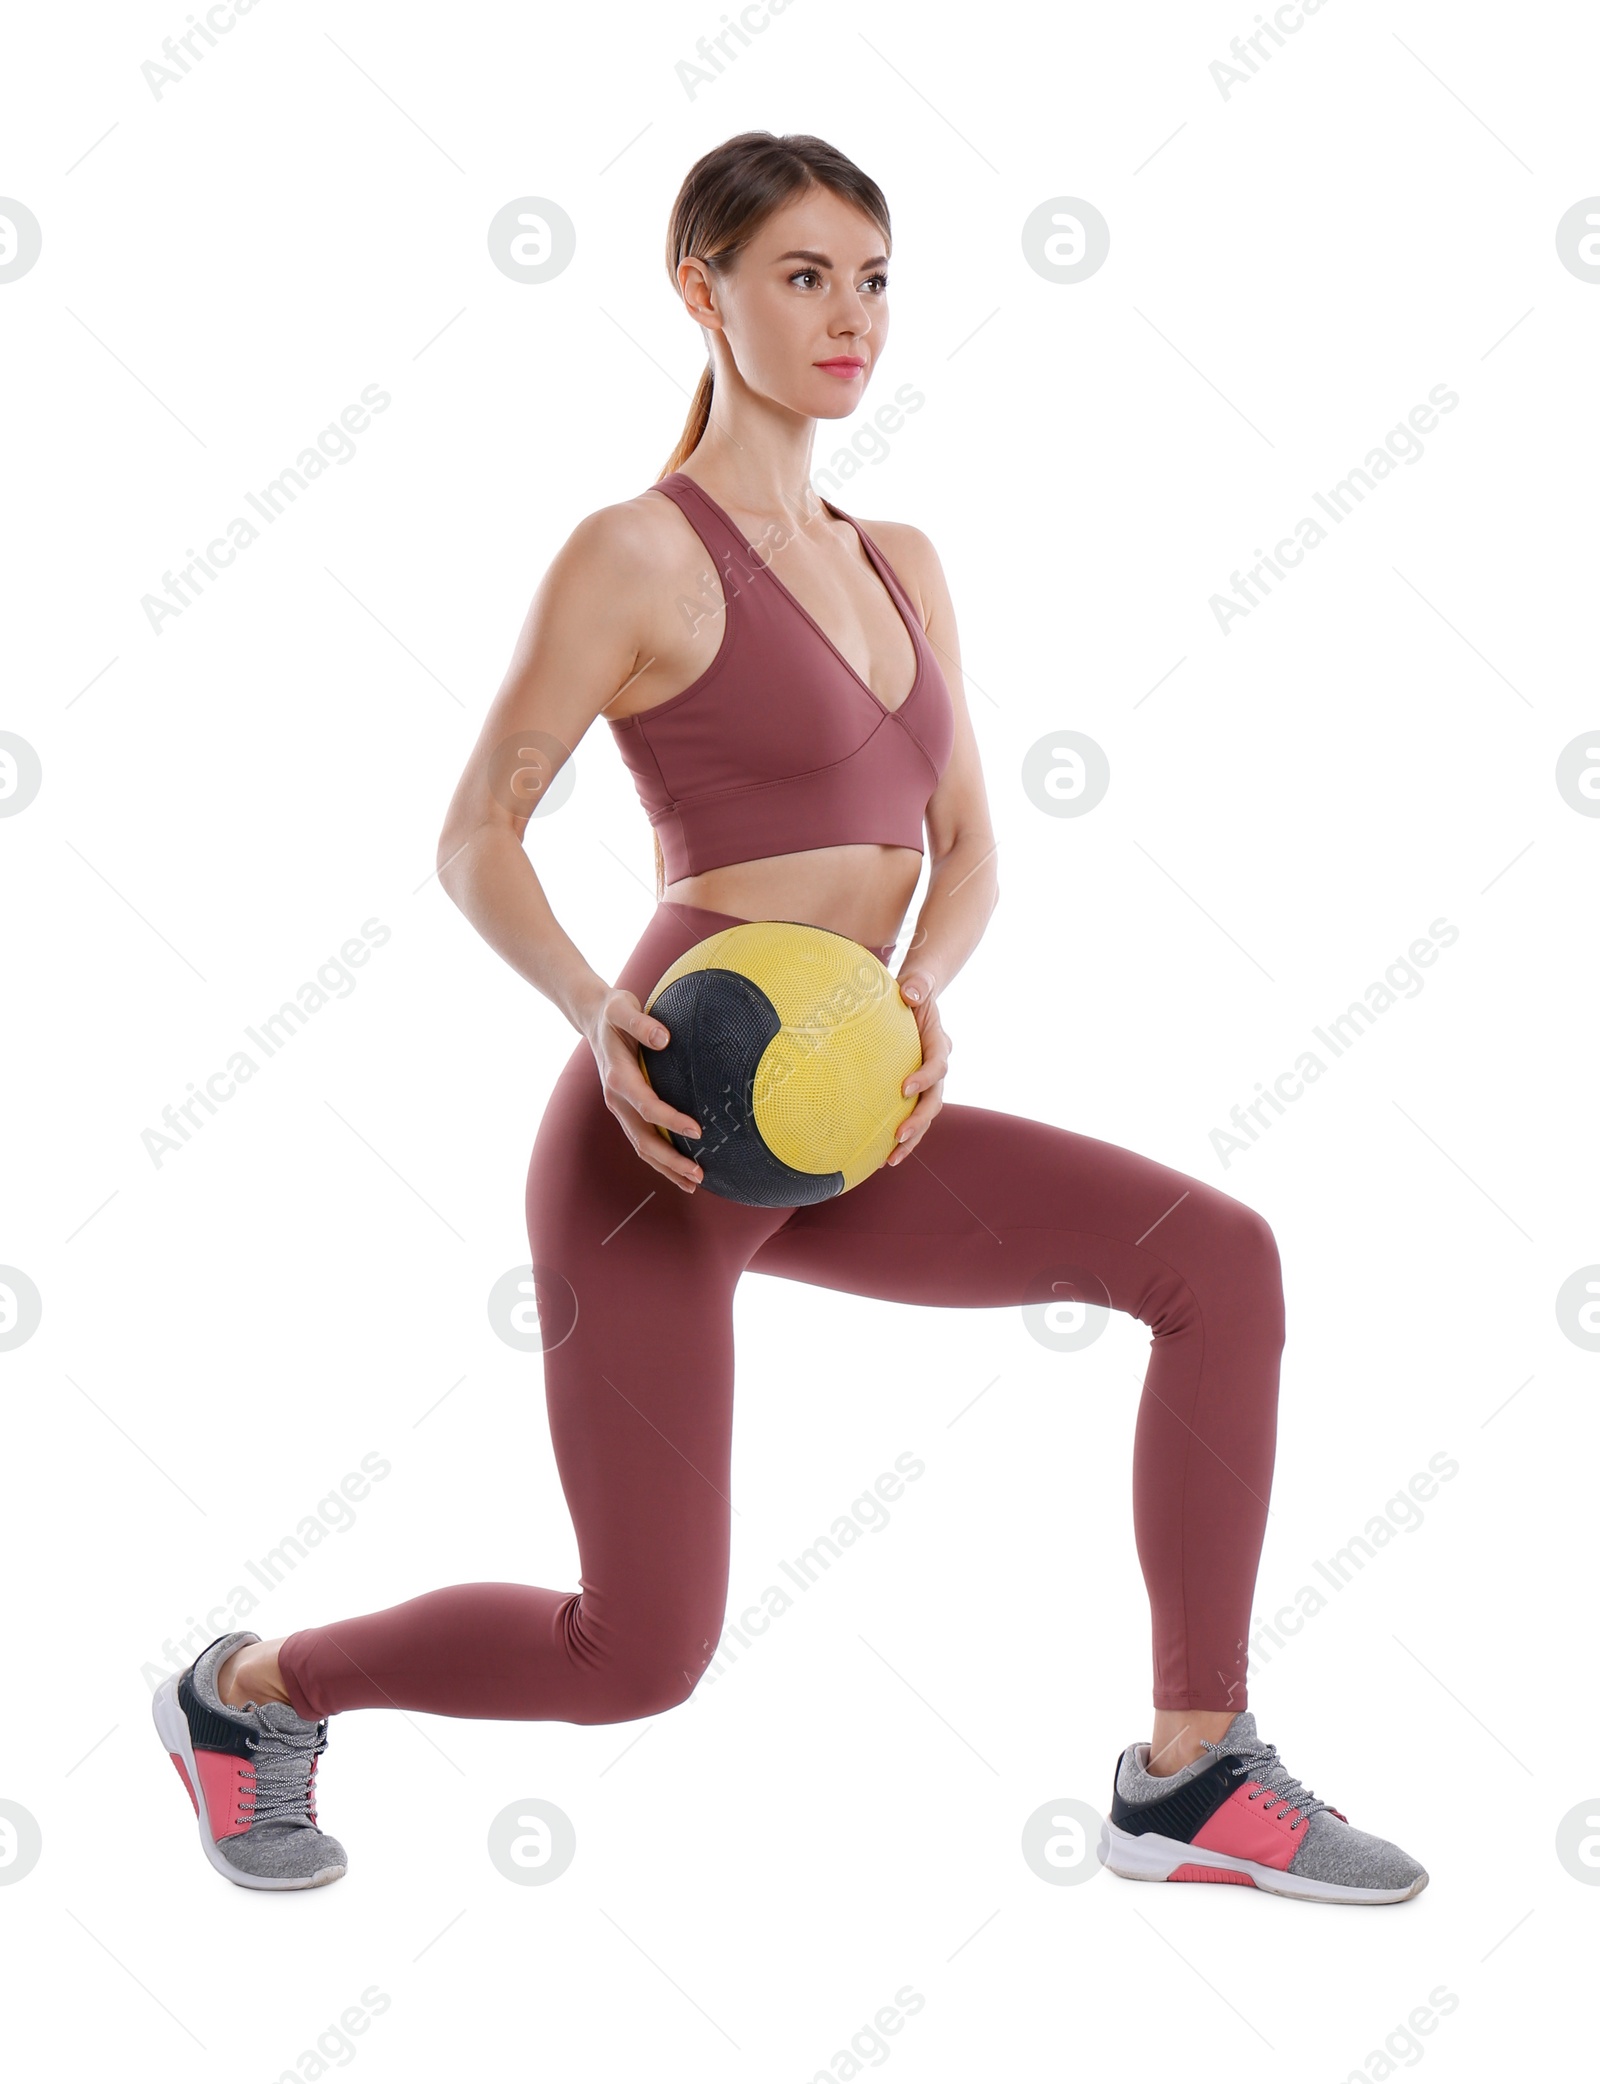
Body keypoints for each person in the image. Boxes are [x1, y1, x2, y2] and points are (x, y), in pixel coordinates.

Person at [153, 130, 1427, 1905]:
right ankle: (251, 1691)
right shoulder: (635, 552)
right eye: (803, 276)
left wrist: (917, 1003)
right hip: (663, 1127)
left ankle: (1192, 1773)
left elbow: (970, 846)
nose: (851, 316)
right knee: (640, 1656)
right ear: (704, 290)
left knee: (1219, 1260)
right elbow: (474, 836)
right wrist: (598, 1008)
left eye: (876, 276)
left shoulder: (905, 558)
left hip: (844, 1114)